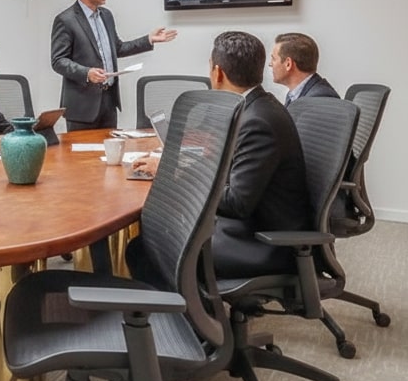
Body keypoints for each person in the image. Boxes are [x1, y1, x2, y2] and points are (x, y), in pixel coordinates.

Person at [130, 31, 312, 279]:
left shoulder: (258, 122)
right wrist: (181, 164)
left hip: (262, 242)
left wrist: (167, 168)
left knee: (145, 248)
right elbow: (230, 169)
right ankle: (197, 305)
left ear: (218, 73)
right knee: (161, 229)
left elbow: (237, 203)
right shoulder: (255, 107)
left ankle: (191, 315)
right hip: (252, 226)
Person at [51, 0, 177, 131]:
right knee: (84, 155)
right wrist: (86, 73)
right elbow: (58, 61)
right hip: (82, 106)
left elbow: (117, 48)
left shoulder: (106, 15)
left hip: (108, 100)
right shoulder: (66, 20)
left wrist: (149, 40)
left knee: (109, 155)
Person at [270, 32, 338, 105]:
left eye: (274, 59)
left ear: (288, 64)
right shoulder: (294, 95)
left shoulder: (319, 98)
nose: (270, 64)